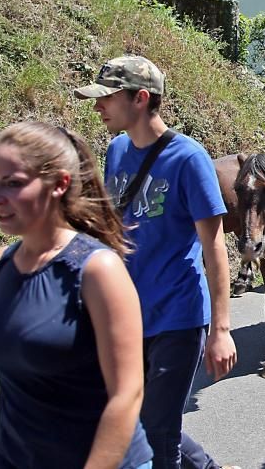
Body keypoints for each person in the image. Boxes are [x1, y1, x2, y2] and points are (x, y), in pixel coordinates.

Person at [74, 56, 238, 467]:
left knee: (156, 433)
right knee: (139, 419)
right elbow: (109, 231)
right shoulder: (115, 151)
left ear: (141, 98)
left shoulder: (188, 159)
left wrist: (221, 330)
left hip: (178, 317)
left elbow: (214, 247)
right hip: (128, 317)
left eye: (107, 98)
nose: (98, 107)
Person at [0, 122, 152, 467]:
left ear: (59, 184)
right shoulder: (2, 264)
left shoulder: (97, 269)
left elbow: (127, 394)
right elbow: (16, 379)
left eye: (12, 183)